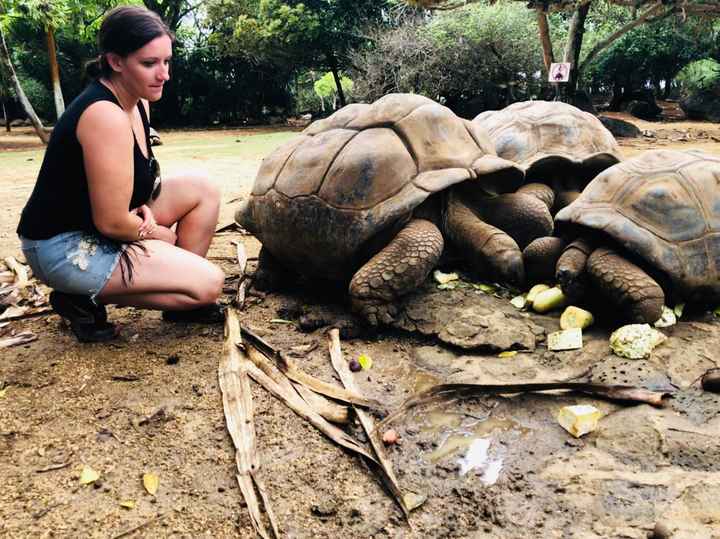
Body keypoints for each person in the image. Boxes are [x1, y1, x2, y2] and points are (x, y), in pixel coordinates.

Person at [16, 6, 225, 342]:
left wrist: (144, 211)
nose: (163, 74)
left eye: (166, 61)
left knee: (202, 190)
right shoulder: (104, 115)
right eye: (149, 63)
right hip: (63, 244)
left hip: (104, 220)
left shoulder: (138, 101)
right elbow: (112, 223)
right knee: (209, 284)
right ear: (115, 62)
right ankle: (80, 297)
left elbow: (124, 187)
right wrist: (162, 237)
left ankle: (177, 295)